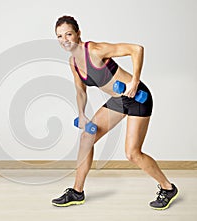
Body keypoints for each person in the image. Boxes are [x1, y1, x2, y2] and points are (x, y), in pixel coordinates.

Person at [51, 15, 178, 210]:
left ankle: (167, 188)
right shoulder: (73, 63)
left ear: (78, 34)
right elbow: (80, 91)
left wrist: (134, 81)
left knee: (132, 153)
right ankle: (77, 192)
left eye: (68, 34)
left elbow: (136, 49)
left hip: (137, 97)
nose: (65, 39)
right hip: (118, 100)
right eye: (60, 36)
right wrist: (82, 114)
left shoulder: (94, 50)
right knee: (87, 137)